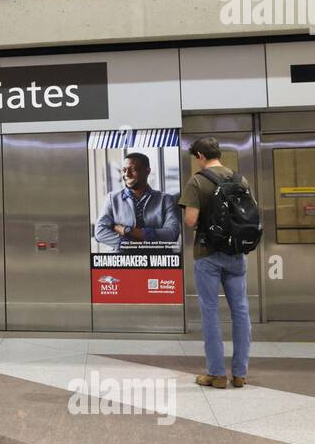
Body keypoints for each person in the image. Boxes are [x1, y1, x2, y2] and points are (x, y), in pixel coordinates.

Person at [179, 138, 251, 388]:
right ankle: (240, 373)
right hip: (236, 254)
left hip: (207, 254)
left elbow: (190, 220)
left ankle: (217, 373)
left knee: (210, 312)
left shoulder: (198, 180)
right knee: (241, 311)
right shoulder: (240, 180)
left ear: (200, 156)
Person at [94, 152, 181, 250]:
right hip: (122, 261)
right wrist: (130, 244)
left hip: (156, 261)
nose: (127, 174)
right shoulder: (112, 199)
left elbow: (172, 233)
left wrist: (128, 230)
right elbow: (99, 232)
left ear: (147, 171)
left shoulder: (165, 200)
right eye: (124, 170)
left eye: (133, 169)